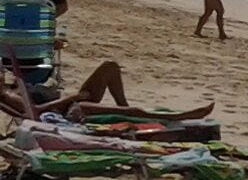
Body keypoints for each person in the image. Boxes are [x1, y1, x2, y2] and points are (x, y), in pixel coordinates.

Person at [1, 58, 212, 121]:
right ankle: (177, 117)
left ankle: (127, 112)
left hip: (72, 102)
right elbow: (35, 114)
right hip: (71, 111)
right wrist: (72, 97)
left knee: (110, 67)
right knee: (131, 113)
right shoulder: (7, 96)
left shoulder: (10, 88)